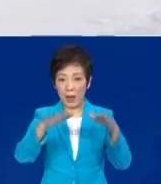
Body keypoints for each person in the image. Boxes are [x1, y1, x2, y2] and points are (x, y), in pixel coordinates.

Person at [14, 44, 132, 184]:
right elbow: (22, 156)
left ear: (88, 82)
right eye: (62, 79)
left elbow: (123, 163)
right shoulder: (44, 116)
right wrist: (40, 130)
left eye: (77, 79)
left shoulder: (104, 117)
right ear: (54, 83)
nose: (69, 87)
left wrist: (114, 130)